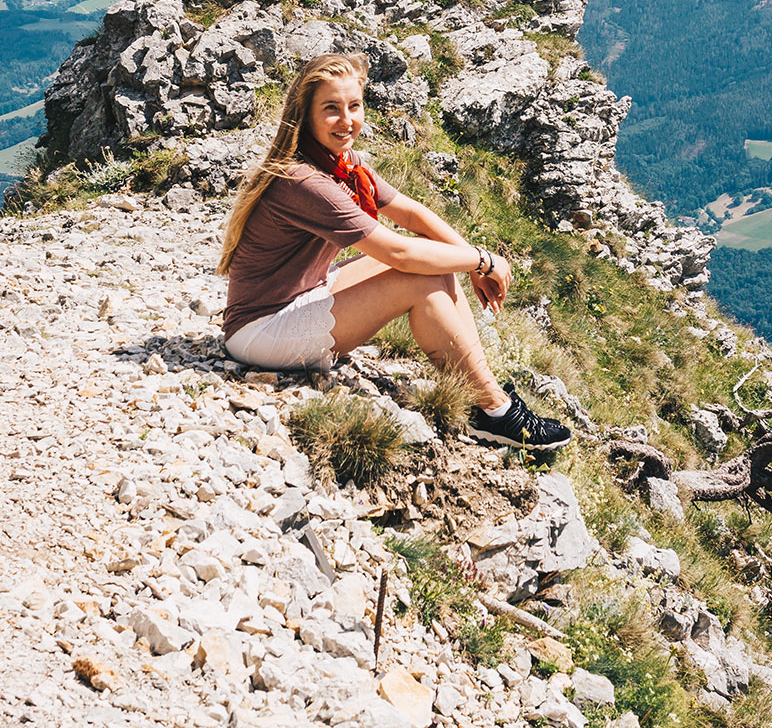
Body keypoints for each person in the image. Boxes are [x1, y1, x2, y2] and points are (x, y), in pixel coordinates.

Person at [217, 52, 571, 451]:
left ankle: (481, 393)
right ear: (306, 114)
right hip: (259, 331)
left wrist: (465, 257)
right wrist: (483, 260)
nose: (347, 120)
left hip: (299, 294)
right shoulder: (304, 180)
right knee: (417, 278)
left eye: (354, 106)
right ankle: (494, 409)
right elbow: (399, 255)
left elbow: (412, 213)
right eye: (331, 109)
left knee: (435, 260)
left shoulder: (341, 163)